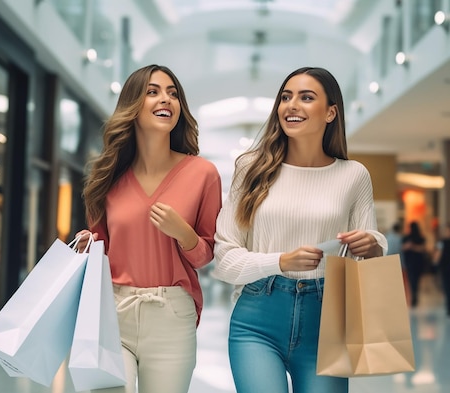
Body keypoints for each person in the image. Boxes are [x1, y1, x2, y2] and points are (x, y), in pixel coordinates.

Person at [211, 67, 387, 393]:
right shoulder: (250, 168)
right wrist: (280, 261)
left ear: (331, 112)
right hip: (257, 317)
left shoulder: (354, 175)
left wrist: (375, 245)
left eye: (306, 98)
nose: (291, 105)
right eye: (286, 97)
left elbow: (368, 254)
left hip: (328, 319)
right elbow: (224, 258)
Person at [75, 64, 222, 393]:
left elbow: (205, 255)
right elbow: (102, 246)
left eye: (173, 93)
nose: (165, 99)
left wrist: (182, 232)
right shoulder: (108, 176)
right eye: (153, 92)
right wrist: (89, 244)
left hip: (171, 315)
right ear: (132, 105)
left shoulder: (203, 174)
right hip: (111, 312)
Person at [432, 222, 450, 316]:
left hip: (446, 266)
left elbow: (438, 253)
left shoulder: (443, 242)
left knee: (448, 286)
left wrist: (435, 262)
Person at [402, 221, 427, 308]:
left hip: (414, 263)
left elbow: (422, 249)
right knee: (413, 281)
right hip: (413, 262)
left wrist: (412, 247)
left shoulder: (419, 238)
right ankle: (414, 297)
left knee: (414, 281)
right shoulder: (407, 238)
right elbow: (403, 248)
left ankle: (414, 297)